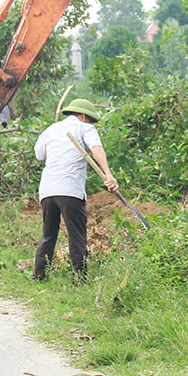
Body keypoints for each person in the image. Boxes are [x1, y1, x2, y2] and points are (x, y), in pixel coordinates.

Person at [32, 98, 118, 280]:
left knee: (48, 234)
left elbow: (39, 156)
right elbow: (96, 148)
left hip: (47, 190)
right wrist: (108, 174)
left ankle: (39, 275)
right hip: (70, 189)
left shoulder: (51, 129)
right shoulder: (85, 128)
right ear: (83, 116)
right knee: (76, 235)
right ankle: (80, 277)